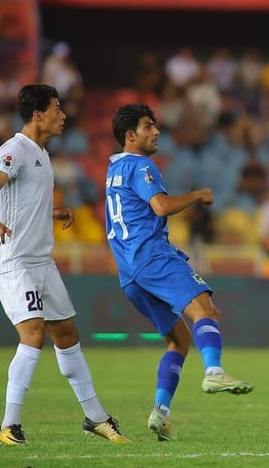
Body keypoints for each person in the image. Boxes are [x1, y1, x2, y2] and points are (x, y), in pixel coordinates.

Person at [0, 85, 129, 445]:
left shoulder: (41, 153)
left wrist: (52, 210)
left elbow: (24, 201)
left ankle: (96, 418)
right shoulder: (15, 150)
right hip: (16, 261)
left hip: (42, 261)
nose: (63, 115)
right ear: (37, 114)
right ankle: (7, 426)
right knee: (33, 335)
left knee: (67, 335)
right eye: (56, 109)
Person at [105, 104, 253, 442]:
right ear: (130, 136)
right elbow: (160, 206)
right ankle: (214, 371)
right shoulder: (141, 165)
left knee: (179, 339)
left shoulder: (113, 169)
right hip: (153, 256)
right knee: (206, 310)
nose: (156, 131)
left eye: (155, 125)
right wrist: (198, 195)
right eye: (147, 126)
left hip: (129, 273)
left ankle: (161, 412)